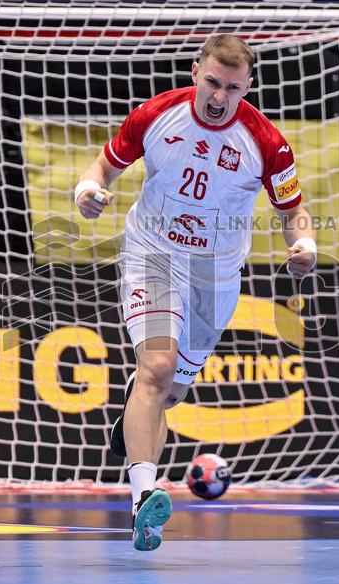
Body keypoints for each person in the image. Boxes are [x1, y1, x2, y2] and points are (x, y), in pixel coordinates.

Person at [75, 34, 317, 551]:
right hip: (154, 255)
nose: (219, 96)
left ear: (247, 86)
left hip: (215, 274)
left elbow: (292, 210)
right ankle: (145, 499)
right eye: (212, 82)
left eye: (232, 87)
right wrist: (87, 192)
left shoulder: (266, 142)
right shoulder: (156, 115)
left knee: (172, 392)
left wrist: (304, 243)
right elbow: (102, 169)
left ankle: (134, 423)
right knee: (157, 370)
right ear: (195, 72)